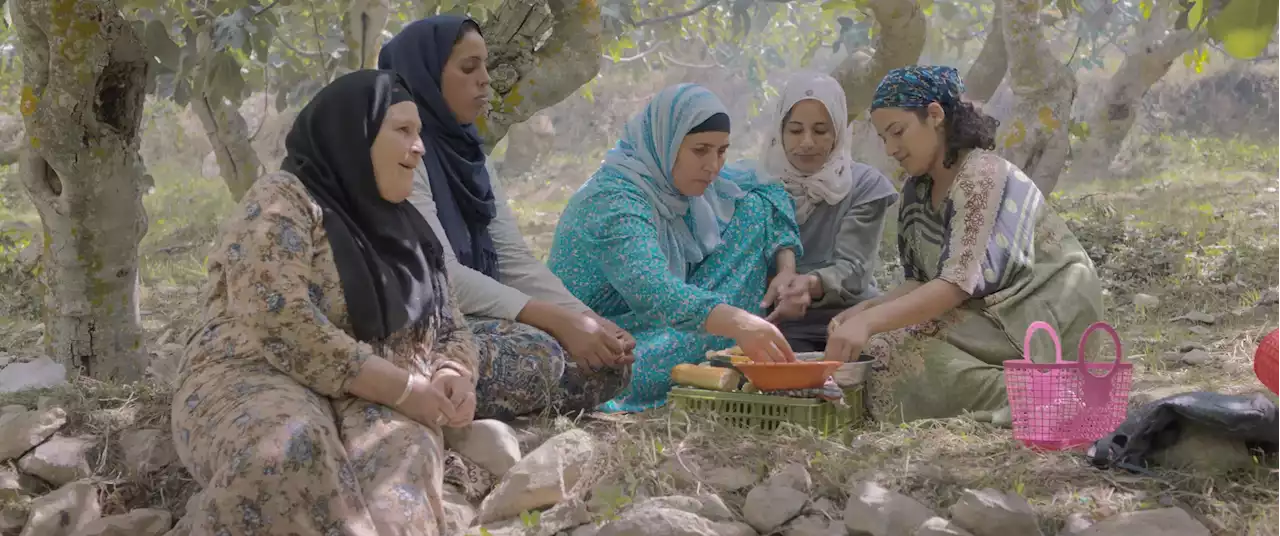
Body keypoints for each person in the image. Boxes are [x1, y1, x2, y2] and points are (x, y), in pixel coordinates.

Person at [170, 70, 476, 536]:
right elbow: (279, 320)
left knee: (399, 497)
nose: (420, 147)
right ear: (355, 134)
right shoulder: (284, 199)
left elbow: (450, 327)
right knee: (292, 450)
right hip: (253, 373)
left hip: (376, 395)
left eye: (420, 133)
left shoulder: (412, 231)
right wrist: (403, 390)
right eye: (402, 131)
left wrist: (453, 373)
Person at [378, 15, 632, 422]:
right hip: (413, 324)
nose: (485, 80)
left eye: (485, 65)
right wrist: (557, 320)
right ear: (424, 74)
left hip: (468, 320)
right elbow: (442, 276)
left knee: (608, 362)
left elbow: (511, 258)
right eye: (468, 67)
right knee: (542, 354)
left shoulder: (470, 155)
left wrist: (588, 320)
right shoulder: (402, 152)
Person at [825, 65, 1104, 424]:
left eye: (898, 132)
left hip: (1039, 315)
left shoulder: (982, 174)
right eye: (884, 138)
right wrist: (865, 312)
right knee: (879, 349)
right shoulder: (916, 190)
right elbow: (920, 282)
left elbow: (956, 284)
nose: (891, 148)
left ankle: (1045, 396)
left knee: (883, 350)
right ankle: (1032, 394)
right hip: (984, 314)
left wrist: (870, 324)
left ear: (935, 115)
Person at [548, 83, 802, 412]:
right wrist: (739, 323)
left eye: (722, 151)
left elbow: (767, 189)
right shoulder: (613, 199)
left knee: (752, 211)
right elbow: (654, 291)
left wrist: (786, 268)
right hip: (605, 343)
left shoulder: (681, 185)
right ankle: (713, 355)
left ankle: (715, 353)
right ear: (665, 142)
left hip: (662, 325)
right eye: (700, 150)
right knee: (621, 371)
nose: (713, 165)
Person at [750, 71, 900, 353]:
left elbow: (854, 270)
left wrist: (810, 284)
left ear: (839, 133)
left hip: (850, 323)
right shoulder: (757, 185)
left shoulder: (865, 186)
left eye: (820, 131)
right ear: (779, 132)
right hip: (773, 325)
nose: (807, 142)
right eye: (795, 130)